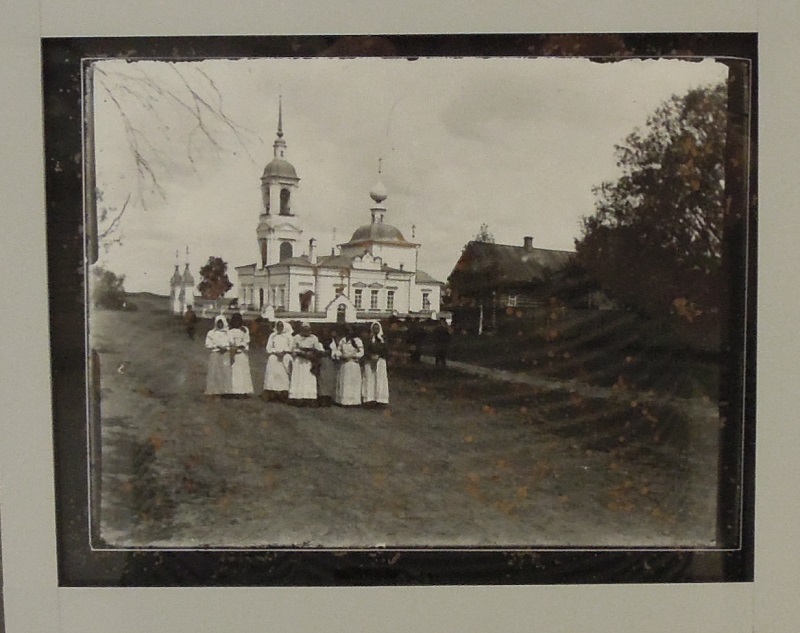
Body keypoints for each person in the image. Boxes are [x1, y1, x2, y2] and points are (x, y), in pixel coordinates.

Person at [288, 321, 324, 406]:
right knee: (298, 378)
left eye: (307, 329)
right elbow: (292, 349)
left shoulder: (314, 338)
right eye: (304, 329)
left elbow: (318, 349)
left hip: (309, 362)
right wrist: (299, 352)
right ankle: (297, 397)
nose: (306, 331)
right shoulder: (296, 337)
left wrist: (311, 354)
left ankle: (309, 398)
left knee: (309, 379)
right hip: (299, 361)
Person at [263, 320, 293, 402]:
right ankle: (271, 391)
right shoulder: (273, 335)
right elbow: (268, 348)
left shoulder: (288, 336)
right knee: (272, 360)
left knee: (283, 373)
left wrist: (284, 352)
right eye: (278, 326)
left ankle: (284, 392)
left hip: (285, 355)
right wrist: (276, 352)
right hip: (275, 355)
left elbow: (291, 347)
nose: (279, 328)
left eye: (281, 326)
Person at [362, 321, 390, 407]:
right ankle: (369, 399)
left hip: (380, 361)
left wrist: (379, 356)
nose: (376, 329)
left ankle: (380, 399)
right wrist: (370, 356)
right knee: (370, 379)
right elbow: (365, 350)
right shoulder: (368, 339)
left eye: (377, 328)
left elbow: (387, 350)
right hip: (369, 361)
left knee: (380, 379)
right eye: (374, 328)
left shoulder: (383, 339)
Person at [335, 326, 364, 407]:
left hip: (353, 364)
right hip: (345, 364)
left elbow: (361, 352)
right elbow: (338, 350)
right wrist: (341, 355)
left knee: (353, 382)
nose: (349, 333)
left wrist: (353, 356)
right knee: (345, 382)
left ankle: (354, 401)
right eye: (347, 331)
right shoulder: (343, 340)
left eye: (350, 331)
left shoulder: (357, 341)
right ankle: (344, 401)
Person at [204, 315, 232, 396]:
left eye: (221, 323)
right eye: (218, 323)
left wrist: (226, 348)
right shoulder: (211, 333)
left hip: (225, 354)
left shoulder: (228, 333)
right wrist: (217, 346)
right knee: (214, 371)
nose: (220, 325)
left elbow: (231, 343)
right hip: (215, 354)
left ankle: (224, 390)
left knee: (225, 371)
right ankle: (213, 389)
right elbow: (208, 344)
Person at [227, 312, 254, 397]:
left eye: (238, 320)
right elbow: (229, 341)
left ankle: (244, 391)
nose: (236, 322)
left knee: (243, 373)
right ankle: (233, 391)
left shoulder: (245, 330)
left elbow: (246, 340)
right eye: (235, 320)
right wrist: (233, 348)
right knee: (234, 373)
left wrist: (239, 345)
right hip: (233, 353)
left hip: (242, 354)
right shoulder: (229, 331)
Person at [317, 326, 340, 407]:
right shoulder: (319, 341)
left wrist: (331, 353)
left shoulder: (332, 341)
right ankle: (322, 398)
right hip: (322, 361)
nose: (325, 333)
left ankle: (328, 398)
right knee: (322, 380)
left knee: (330, 380)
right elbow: (319, 351)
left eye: (327, 331)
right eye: (324, 331)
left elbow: (335, 350)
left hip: (331, 361)